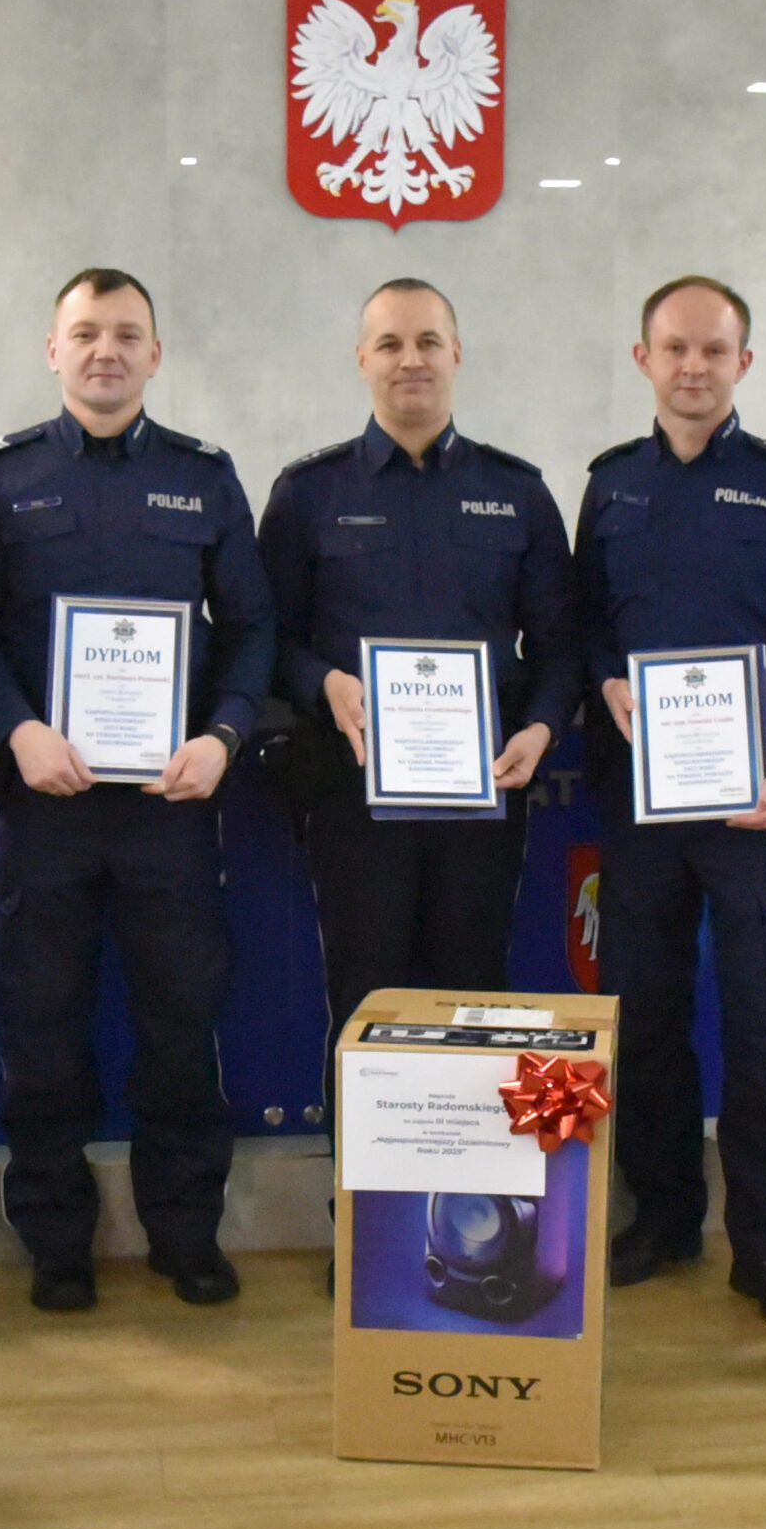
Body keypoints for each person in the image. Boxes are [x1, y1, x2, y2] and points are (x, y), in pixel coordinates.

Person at [0, 268, 273, 1313]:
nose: (106, 350)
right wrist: (17, 727)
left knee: (182, 1024)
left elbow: (254, 628)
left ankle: (186, 1233)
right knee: (41, 1027)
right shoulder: (2, 478)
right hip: (45, 805)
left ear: (155, 354)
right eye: (85, 332)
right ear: (54, 349)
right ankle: (56, 1241)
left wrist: (224, 735)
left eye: (128, 333)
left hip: (171, 808)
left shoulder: (204, 478)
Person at [575, 275, 766, 1333]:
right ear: (643, 358)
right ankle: (663, 1218)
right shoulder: (609, 485)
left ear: (744, 361)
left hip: (757, 808)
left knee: (764, 1035)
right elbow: (581, 623)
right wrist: (605, 677)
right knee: (645, 1021)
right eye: (675, 348)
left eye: (714, 349)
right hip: (641, 809)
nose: (693, 366)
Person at [256, 276, 581, 1073]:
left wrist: (541, 727)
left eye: (429, 341)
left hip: (483, 796)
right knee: (366, 998)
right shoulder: (308, 494)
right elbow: (266, 639)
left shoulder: (517, 493)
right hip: (354, 794)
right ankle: (361, 1164)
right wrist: (325, 683)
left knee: (477, 993)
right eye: (391, 343)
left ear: (457, 353)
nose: (412, 359)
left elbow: (562, 642)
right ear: (361, 358)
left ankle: (471, 1162)